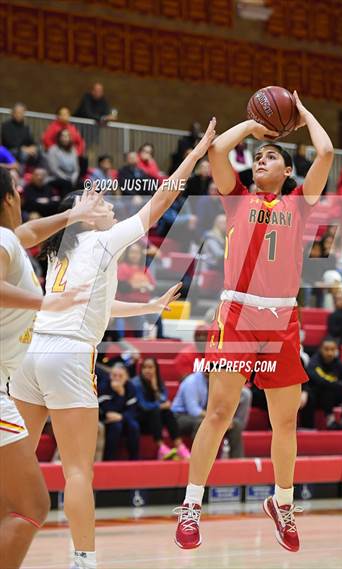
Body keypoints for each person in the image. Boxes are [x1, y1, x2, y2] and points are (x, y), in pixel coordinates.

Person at [10, 119, 215, 569]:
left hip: (32, 356)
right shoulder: (100, 240)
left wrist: (147, 307)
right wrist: (196, 153)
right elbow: (161, 200)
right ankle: (84, 561)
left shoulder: (63, 256)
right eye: (97, 201)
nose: (106, 204)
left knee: (14, 462)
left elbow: (96, 308)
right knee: (78, 469)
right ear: (82, 215)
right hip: (67, 358)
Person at [173, 92, 333, 552]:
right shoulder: (236, 198)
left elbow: (324, 152)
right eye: (258, 157)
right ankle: (191, 506)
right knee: (219, 413)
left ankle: (282, 504)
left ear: (286, 173)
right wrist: (254, 126)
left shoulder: (299, 205)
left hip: (283, 317)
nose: (261, 160)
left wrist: (299, 114)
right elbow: (219, 150)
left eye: (271, 157)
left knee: (286, 423)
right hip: (238, 314)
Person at [0, 168, 104, 569]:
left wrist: (72, 215)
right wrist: (48, 304)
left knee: (9, 502)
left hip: (14, 376)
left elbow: (27, 234)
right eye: (17, 189)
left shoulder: (11, 240)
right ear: (10, 198)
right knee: (30, 505)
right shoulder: (4, 240)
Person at [171, 371, 249, 458]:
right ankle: (200, 461)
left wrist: (225, 419)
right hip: (180, 417)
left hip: (205, 415)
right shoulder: (191, 382)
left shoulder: (217, 382)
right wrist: (216, 418)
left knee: (235, 425)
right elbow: (194, 410)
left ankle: (237, 462)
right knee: (202, 424)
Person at [133, 357, 190, 460]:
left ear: (156, 369)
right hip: (140, 420)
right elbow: (143, 406)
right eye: (144, 367)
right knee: (155, 411)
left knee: (167, 412)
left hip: (155, 421)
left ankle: (179, 446)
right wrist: (159, 406)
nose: (147, 370)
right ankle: (161, 448)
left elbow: (164, 399)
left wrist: (155, 388)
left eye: (150, 367)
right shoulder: (136, 383)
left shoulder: (158, 382)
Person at [307, 337, 342, 429]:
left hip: (333, 396)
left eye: (332, 350)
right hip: (316, 398)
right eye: (326, 349)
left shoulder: (337, 362)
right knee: (328, 388)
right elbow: (321, 380)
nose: (330, 353)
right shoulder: (314, 362)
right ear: (320, 349)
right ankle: (330, 420)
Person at [99, 364, 139, 461]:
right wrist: (120, 395)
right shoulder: (104, 386)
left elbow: (133, 410)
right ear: (110, 375)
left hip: (122, 418)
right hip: (105, 419)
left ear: (126, 377)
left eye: (120, 376)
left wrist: (122, 416)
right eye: (114, 375)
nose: (116, 378)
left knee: (134, 426)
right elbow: (106, 410)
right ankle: (109, 459)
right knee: (116, 426)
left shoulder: (130, 387)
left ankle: (134, 459)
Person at [46, 129, 80, 196]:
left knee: (82, 183)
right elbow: (54, 169)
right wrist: (65, 178)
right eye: (63, 136)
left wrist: (74, 178)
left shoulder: (73, 150)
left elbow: (76, 169)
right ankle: (65, 205)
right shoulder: (53, 150)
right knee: (66, 183)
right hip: (55, 177)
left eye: (67, 136)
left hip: (71, 177)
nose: (65, 139)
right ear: (59, 138)